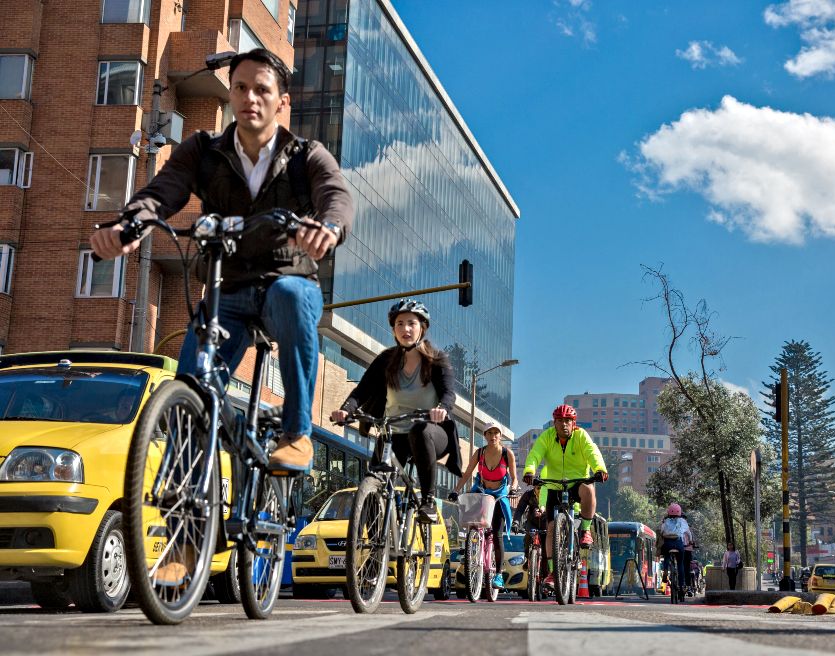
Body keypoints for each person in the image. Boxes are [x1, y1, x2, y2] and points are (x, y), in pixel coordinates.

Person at [89, 47, 353, 472]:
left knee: (290, 294)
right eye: (241, 88)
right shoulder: (204, 150)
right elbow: (161, 193)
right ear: (231, 94)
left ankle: (296, 434)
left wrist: (329, 227)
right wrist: (128, 227)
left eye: (262, 90)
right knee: (192, 388)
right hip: (226, 287)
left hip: (284, 280)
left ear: (281, 101)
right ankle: (186, 501)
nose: (250, 97)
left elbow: (335, 196)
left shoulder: (307, 155)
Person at [330, 299, 462, 523]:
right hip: (394, 433)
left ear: (423, 327)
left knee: (419, 431)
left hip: (431, 432)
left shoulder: (437, 360)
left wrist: (441, 409)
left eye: (411, 323)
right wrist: (345, 410)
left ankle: (428, 502)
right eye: (399, 324)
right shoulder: (386, 360)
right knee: (374, 480)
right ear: (393, 330)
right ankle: (375, 545)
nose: (405, 329)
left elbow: (449, 393)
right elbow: (362, 391)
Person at [522, 404, 608, 587]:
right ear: (554, 423)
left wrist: (600, 469)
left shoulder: (581, 436)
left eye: (568, 420)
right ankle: (553, 572)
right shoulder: (547, 436)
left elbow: (593, 452)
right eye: (560, 421)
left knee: (589, 488)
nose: (564, 424)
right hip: (554, 485)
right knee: (551, 528)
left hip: (577, 482)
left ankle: (585, 530)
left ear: (574, 423)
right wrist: (530, 471)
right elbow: (535, 454)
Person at [451, 422, 516, 588]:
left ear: (500, 436)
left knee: (497, 533)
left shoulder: (507, 454)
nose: (493, 436)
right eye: (489, 433)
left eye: (496, 433)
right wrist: (456, 490)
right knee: (472, 523)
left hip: (500, 495)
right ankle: (472, 547)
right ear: (484, 435)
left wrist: (513, 489)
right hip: (482, 491)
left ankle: (499, 575)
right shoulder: (479, 453)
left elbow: (514, 478)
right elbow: (467, 473)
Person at [656, 503, 691, 597]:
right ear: (679, 512)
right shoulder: (682, 521)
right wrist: (690, 541)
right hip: (678, 543)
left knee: (666, 555)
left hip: (667, 543)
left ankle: (666, 569)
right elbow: (688, 532)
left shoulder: (666, 521)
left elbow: (662, 531)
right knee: (680, 564)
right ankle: (681, 584)